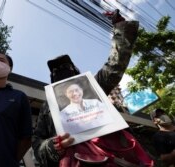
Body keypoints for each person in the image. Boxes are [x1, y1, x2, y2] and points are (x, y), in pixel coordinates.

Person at [32, 10, 153, 166]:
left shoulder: (93, 85)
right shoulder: (47, 106)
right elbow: (37, 143)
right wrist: (53, 146)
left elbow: (115, 65)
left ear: (74, 70)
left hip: (114, 156)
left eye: (65, 66)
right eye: (55, 70)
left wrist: (120, 28)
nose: (60, 70)